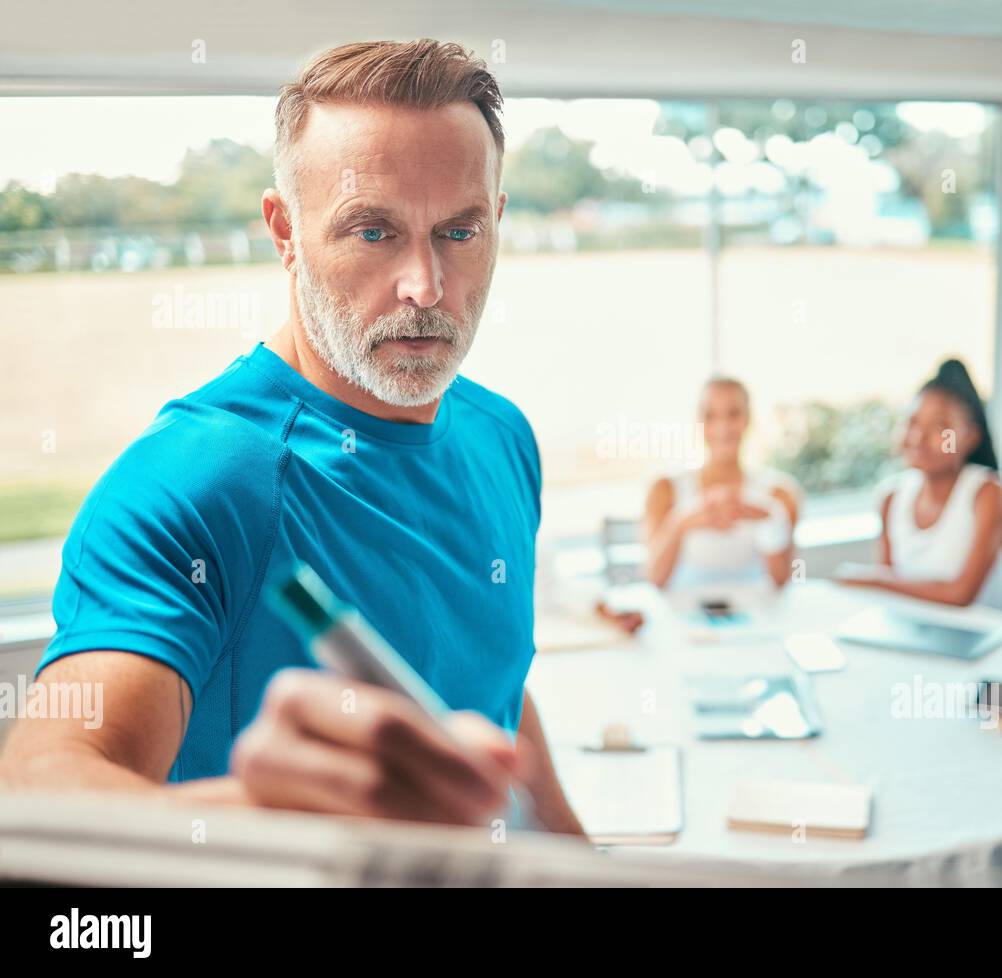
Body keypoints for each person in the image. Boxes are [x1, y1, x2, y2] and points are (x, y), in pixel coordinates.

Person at [0, 39, 584, 834]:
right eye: (372, 232)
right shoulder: (195, 481)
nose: (425, 286)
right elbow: (39, 790)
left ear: (499, 221)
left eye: (458, 231)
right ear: (284, 231)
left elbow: (493, 694)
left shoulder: (501, 436)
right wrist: (267, 816)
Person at [837, 359, 1002, 609]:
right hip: (915, 636)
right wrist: (879, 582)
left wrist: (874, 579)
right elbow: (889, 597)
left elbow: (961, 595)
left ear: (971, 437)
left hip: (980, 640)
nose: (919, 437)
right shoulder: (891, 497)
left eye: (939, 426)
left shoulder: (988, 494)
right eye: (912, 422)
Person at [643, 377, 801, 590]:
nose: (722, 427)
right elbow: (653, 578)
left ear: (748, 419)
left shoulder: (781, 494)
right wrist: (682, 523)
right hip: (684, 617)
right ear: (699, 422)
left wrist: (769, 519)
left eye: (733, 414)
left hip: (759, 615)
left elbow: (791, 577)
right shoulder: (664, 490)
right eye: (710, 416)